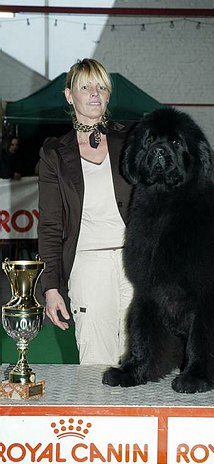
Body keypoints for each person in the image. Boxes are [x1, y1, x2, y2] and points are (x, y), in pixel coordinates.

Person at [37, 58, 134, 365]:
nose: (95, 93)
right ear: (69, 95)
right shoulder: (55, 153)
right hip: (88, 266)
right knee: (96, 361)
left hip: (136, 264)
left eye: (102, 87)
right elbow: (50, 225)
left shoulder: (133, 140)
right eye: (86, 86)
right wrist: (51, 286)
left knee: (143, 357)